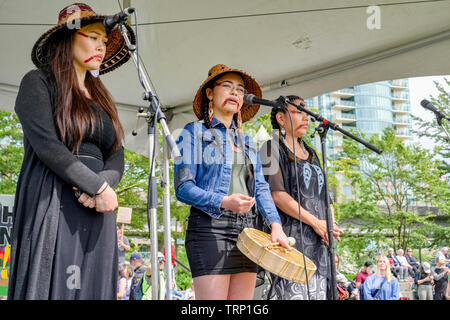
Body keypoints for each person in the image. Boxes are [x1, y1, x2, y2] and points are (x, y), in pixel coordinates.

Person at [7, 3, 134, 300]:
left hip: (99, 204)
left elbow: (117, 151)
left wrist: (104, 188)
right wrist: (96, 185)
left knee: (92, 285)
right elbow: (47, 145)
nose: (100, 46)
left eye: (104, 41)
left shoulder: (103, 96)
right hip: (54, 196)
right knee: (57, 281)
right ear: (67, 39)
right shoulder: (37, 82)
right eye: (92, 37)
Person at [174, 64, 291, 300]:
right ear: (209, 93)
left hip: (248, 231)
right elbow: (183, 187)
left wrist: (275, 225)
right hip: (210, 229)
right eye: (226, 86)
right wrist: (224, 201)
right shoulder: (193, 132)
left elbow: (261, 188)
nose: (234, 93)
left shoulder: (248, 141)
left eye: (239, 89)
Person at [259, 96, 343, 300]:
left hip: (319, 246)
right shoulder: (269, 148)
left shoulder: (312, 152)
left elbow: (326, 198)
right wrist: (317, 223)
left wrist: (329, 228)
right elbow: (276, 195)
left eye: (307, 111)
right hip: (291, 243)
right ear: (281, 117)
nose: (306, 116)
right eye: (299, 111)